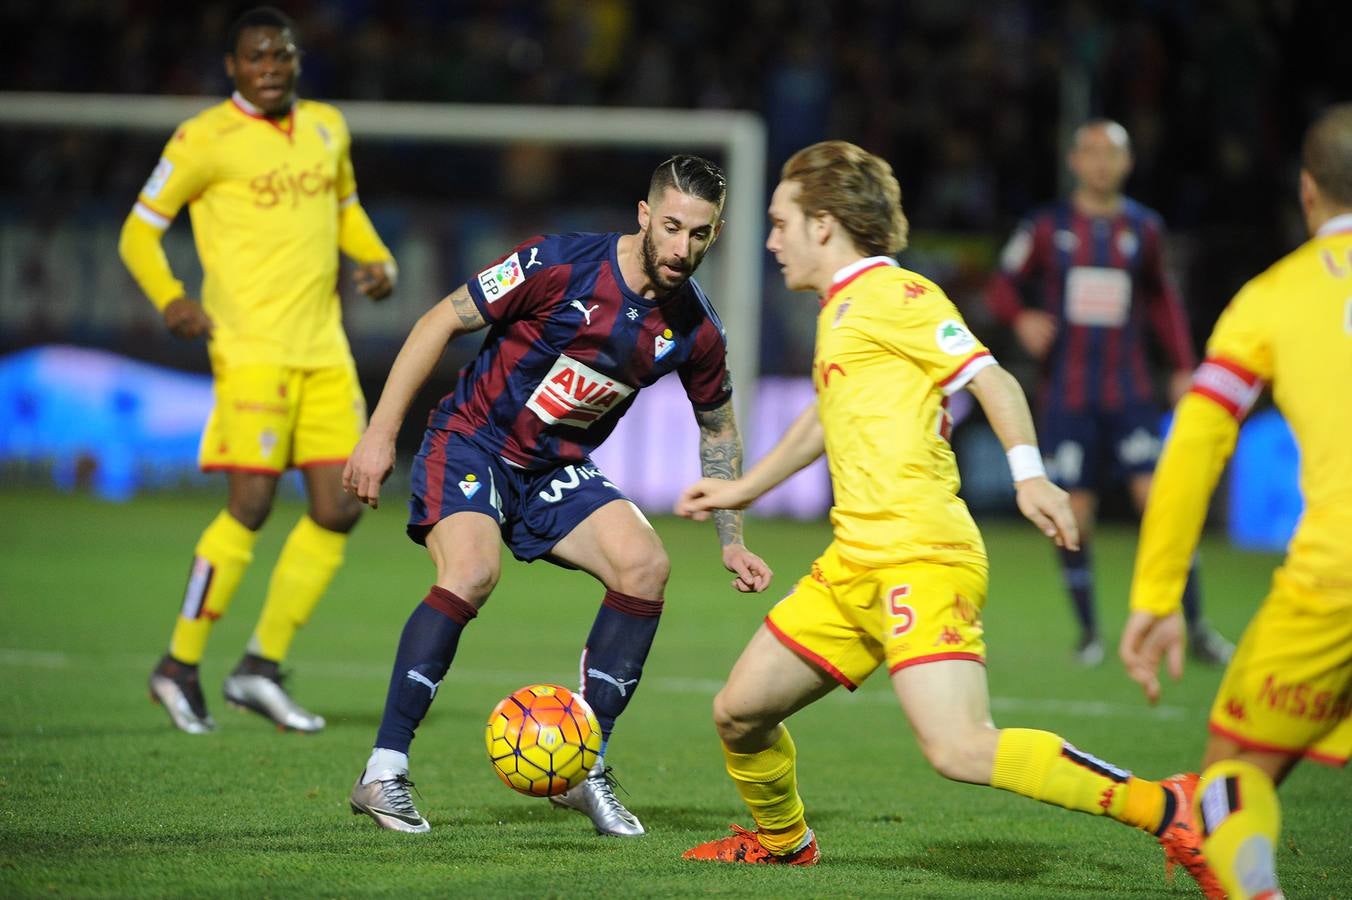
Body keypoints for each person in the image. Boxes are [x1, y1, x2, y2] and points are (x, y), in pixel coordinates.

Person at [674, 141, 1220, 897]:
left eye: (779, 221)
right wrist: (744, 488)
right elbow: (828, 417)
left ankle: (1169, 806)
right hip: (854, 564)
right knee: (739, 713)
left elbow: (991, 378)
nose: (769, 239)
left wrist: (1032, 476)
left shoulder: (897, 296)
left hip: (921, 557)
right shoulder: (843, 311)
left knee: (961, 748)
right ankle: (783, 843)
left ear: (825, 224)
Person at [341, 154, 772, 836]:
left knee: (646, 566)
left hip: (553, 469)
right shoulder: (559, 263)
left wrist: (732, 538)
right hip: (473, 443)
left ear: (715, 234)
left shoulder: (696, 328)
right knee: (473, 572)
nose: (682, 247)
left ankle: (583, 764)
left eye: (699, 234)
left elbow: (719, 429)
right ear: (643, 216)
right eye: (671, 227)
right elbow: (438, 321)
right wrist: (379, 434)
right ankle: (383, 772)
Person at [118, 6, 397, 735]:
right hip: (251, 350)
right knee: (250, 504)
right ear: (233, 66)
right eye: (256, 57)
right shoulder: (203, 138)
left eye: (281, 55)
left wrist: (376, 259)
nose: (269, 67)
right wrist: (171, 299)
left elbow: (347, 210)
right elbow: (139, 231)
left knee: (339, 507)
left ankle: (259, 668)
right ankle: (178, 664)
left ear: (297, 60)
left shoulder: (328, 127)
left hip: (324, 351)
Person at [1121, 103, 1352, 900]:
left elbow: (1194, 443)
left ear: (1308, 193)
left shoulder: (1274, 297)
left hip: (1338, 578)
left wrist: (1157, 595)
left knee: (1235, 768)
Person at [986, 119, 1232, 667]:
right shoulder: (1046, 227)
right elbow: (1001, 282)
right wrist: (1021, 316)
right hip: (1068, 397)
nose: (1101, 163)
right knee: (1075, 511)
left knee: (1161, 503)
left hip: (1130, 392)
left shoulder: (1144, 228)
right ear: (1075, 162)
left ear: (1127, 163)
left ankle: (1197, 628)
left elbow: (1163, 300)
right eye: (1091, 153)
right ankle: (1090, 634)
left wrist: (1182, 365)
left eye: (1112, 154)